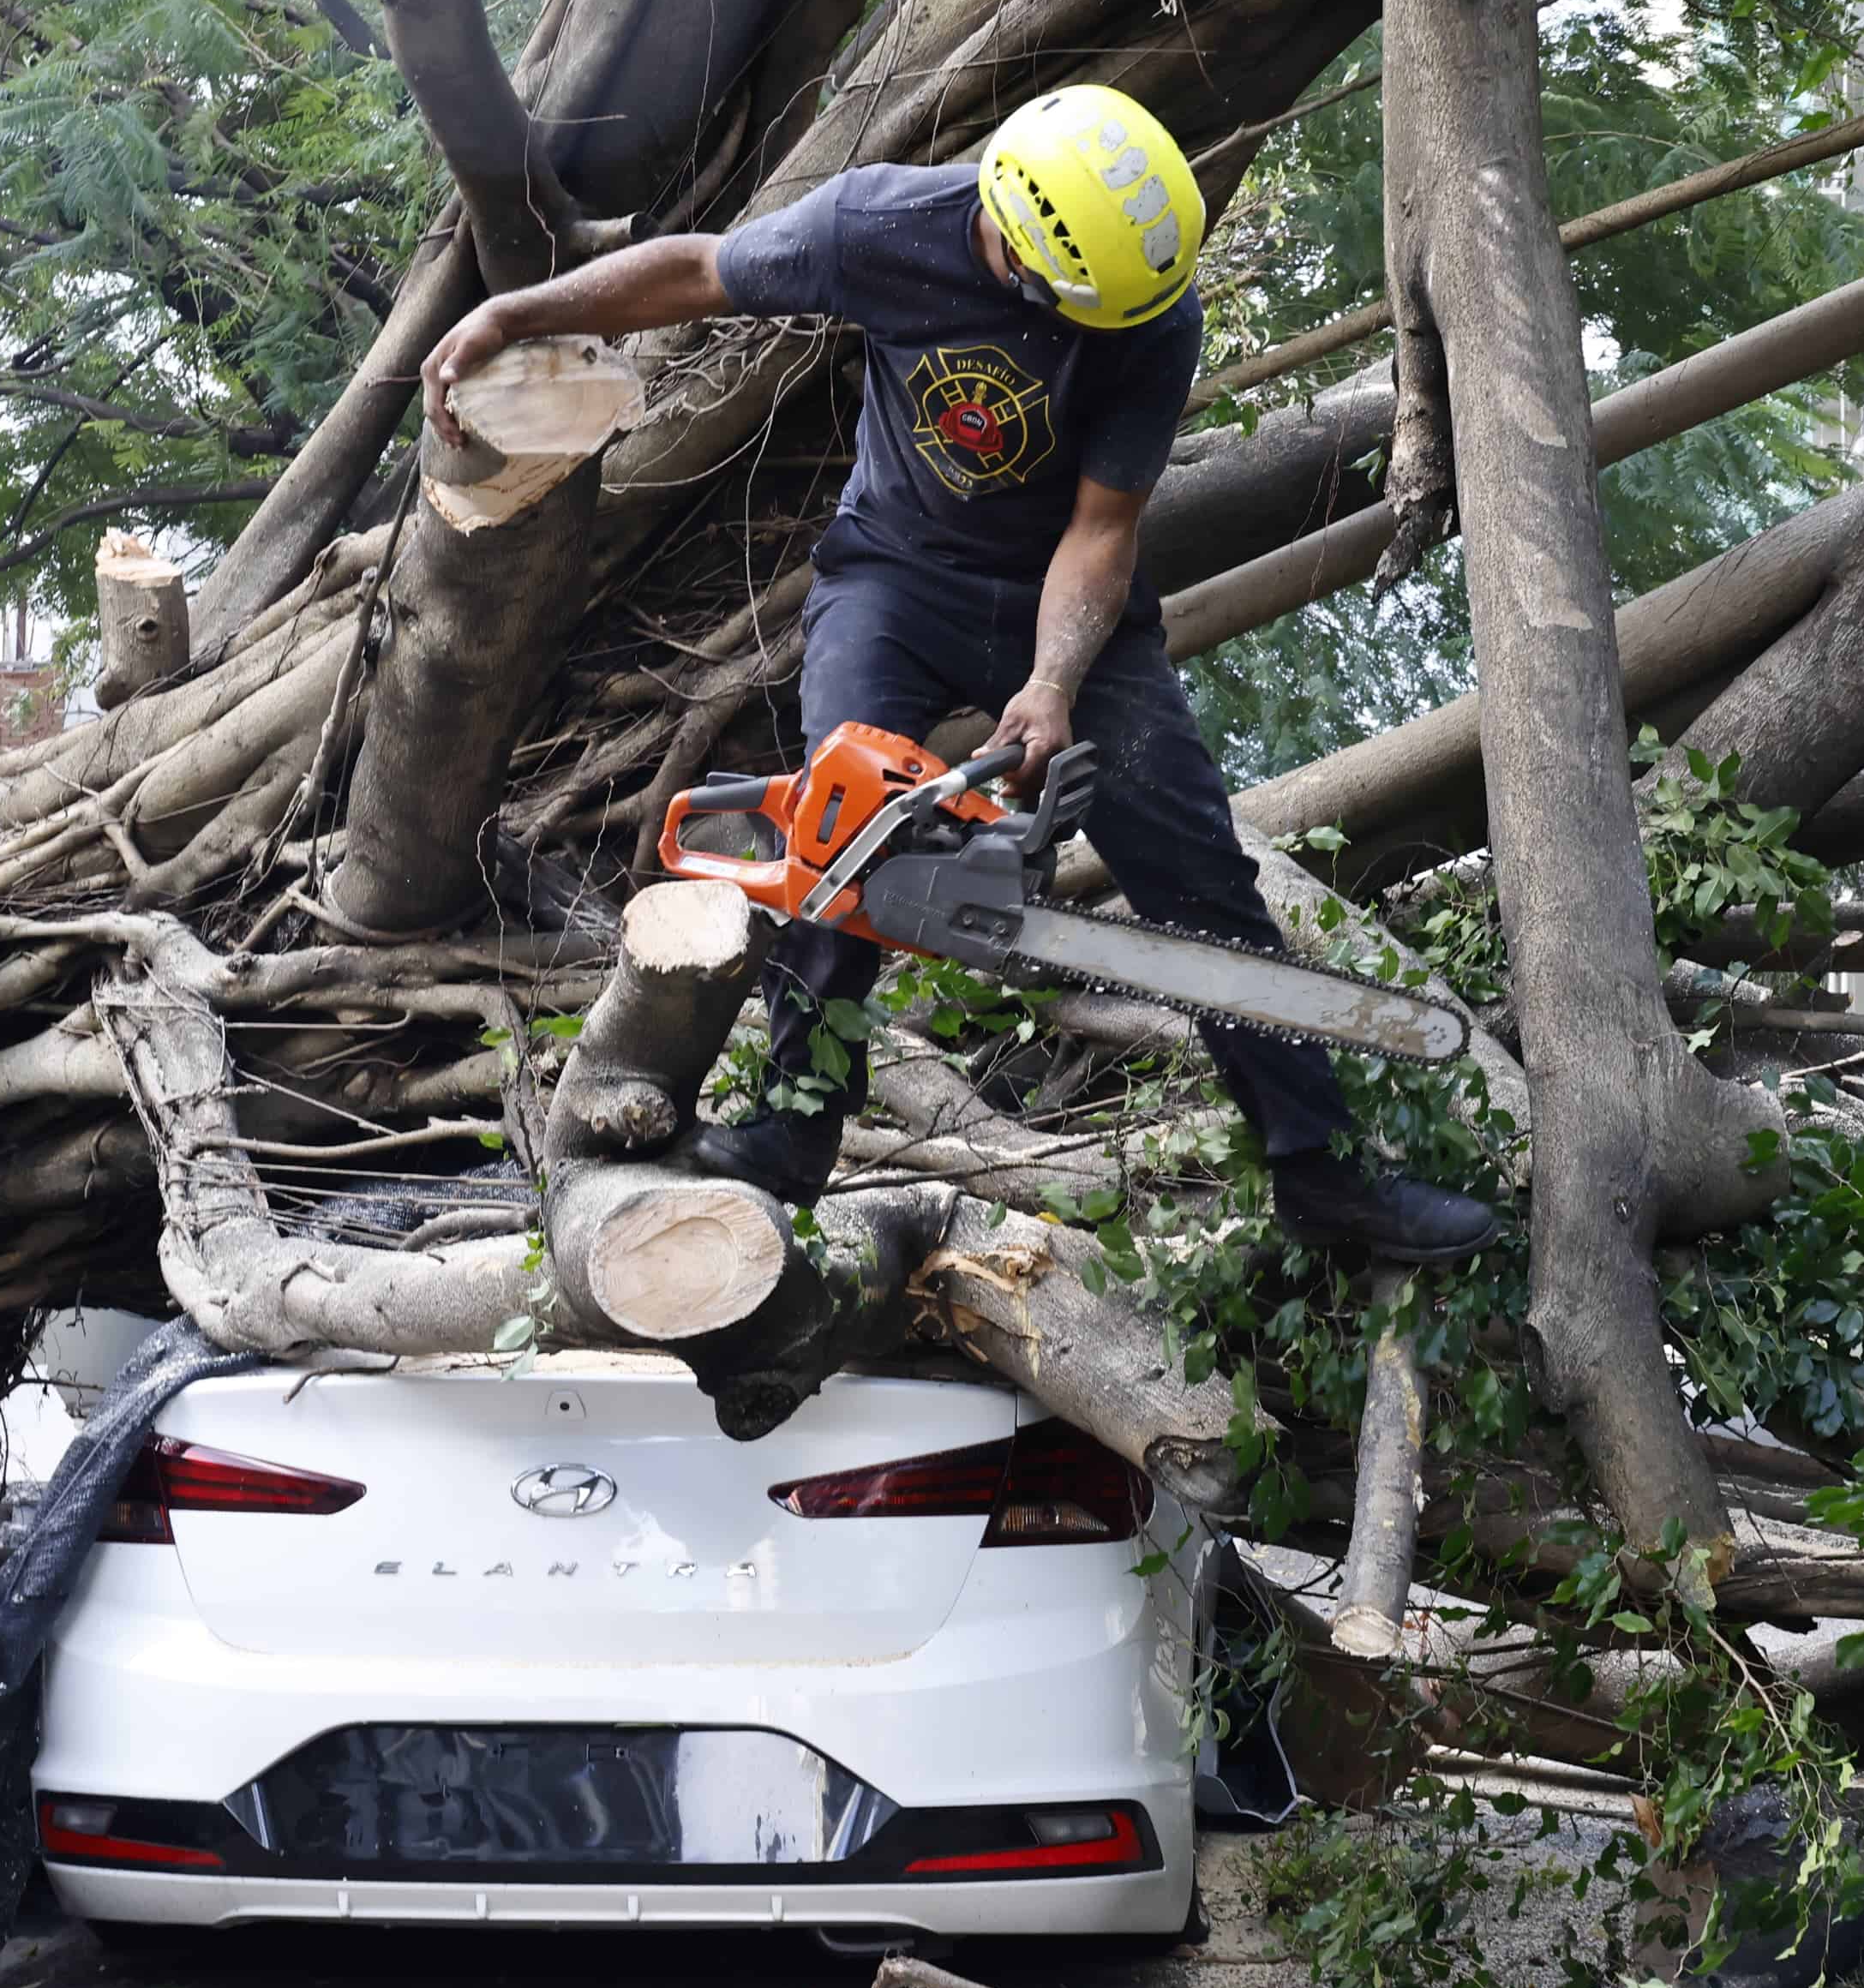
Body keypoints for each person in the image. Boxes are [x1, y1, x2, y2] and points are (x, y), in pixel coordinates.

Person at [420, 87, 1495, 1259]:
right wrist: (515, 314)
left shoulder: (1149, 311)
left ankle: (1321, 1174)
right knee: (843, 829)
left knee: (1196, 876)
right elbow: (698, 272)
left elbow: (1102, 528)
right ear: (1018, 246)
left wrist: (1050, 683)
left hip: (1070, 600)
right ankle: (791, 1132)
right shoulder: (882, 228)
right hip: (894, 571)